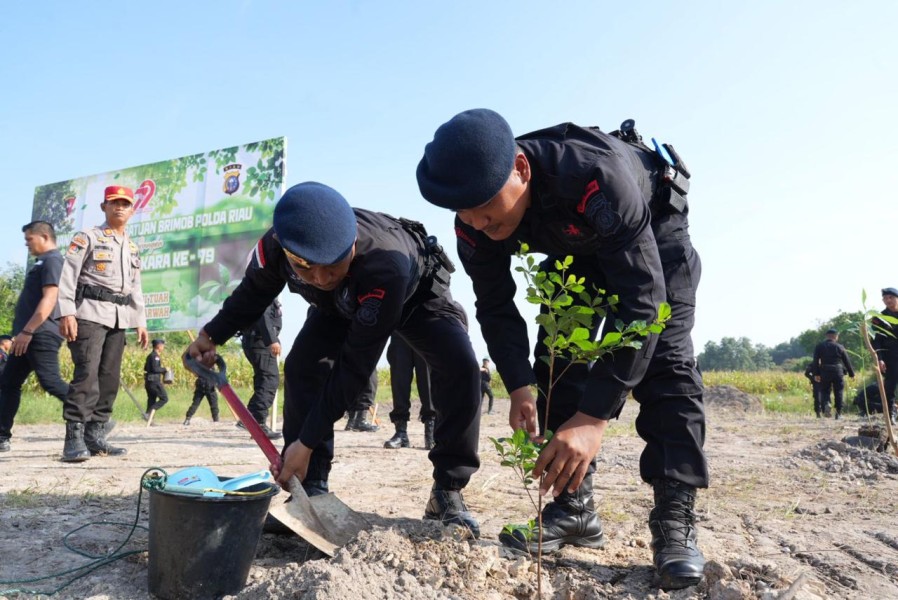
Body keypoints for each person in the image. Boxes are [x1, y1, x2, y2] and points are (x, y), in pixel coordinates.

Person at [417, 109, 707, 589]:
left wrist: (594, 417)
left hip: (649, 231)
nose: (476, 220)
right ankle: (574, 509)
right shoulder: (474, 221)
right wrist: (519, 384)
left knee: (666, 359)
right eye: (462, 210)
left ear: (521, 170)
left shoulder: (596, 180)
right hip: (575, 247)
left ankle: (674, 521)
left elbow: (643, 304)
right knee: (556, 355)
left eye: (485, 205)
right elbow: (494, 304)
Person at [186, 182, 482, 537]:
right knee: (301, 366)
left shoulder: (384, 262)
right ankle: (309, 491)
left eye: (332, 265)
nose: (321, 278)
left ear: (352, 244)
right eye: (307, 269)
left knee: (461, 368)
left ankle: (447, 491)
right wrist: (211, 335)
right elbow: (253, 292)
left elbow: (355, 367)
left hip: (414, 298)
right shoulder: (277, 245)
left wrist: (305, 442)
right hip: (341, 305)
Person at [58, 185, 148, 462]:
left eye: (125, 203)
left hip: (119, 317)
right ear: (104, 207)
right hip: (89, 313)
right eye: (114, 202)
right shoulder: (88, 237)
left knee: (109, 378)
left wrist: (140, 321)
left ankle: (95, 435)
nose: (120, 207)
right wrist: (66, 312)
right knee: (87, 374)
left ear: (132, 210)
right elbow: (68, 275)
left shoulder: (131, 246)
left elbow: (135, 287)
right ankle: (73, 437)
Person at [0, 221, 72, 453]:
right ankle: (2, 436)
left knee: (50, 382)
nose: (27, 244)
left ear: (44, 236)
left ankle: (94, 417)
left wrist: (28, 331)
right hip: (25, 337)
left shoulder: (53, 260)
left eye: (29, 239)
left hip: (39, 335)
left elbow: (49, 299)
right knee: (8, 383)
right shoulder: (41, 262)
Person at [238, 299, 284, 439]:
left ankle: (255, 424)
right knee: (269, 381)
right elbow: (263, 317)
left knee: (263, 380)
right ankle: (253, 419)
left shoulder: (260, 292)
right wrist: (272, 340)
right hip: (261, 342)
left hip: (255, 341)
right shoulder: (266, 293)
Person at [383, 333, 435, 449]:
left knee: (428, 382)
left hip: (425, 328)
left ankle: (431, 433)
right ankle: (401, 433)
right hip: (400, 329)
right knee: (399, 380)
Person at [812, 328, 855, 419]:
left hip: (825, 370)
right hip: (838, 371)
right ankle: (838, 413)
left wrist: (816, 374)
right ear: (835, 336)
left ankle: (827, 403)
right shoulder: (840, 347)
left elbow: (815, 361)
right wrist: (851, 374)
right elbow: (847, 361)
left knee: (825, 391)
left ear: (827, 336)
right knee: (838, 391)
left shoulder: (819, 346)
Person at [873, 287, 898, 424]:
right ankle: (890, 414)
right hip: (889, 357)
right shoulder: (879, 318)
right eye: (885, 298)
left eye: (891, 297)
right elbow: (875, 340)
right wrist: (880, 359)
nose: (888, 300)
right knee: (890, 386)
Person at [144, 339, 169, 415]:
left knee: (151, 400)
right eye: (162, 345)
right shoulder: (155, 356)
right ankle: (148, 413)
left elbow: (145, 368)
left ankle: (149, 419)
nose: (163, 347)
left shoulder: (150, 355)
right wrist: (165, 369)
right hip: (154, 381)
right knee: (164, 398)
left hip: (148, 381)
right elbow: (155, 369)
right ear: (158, 346)